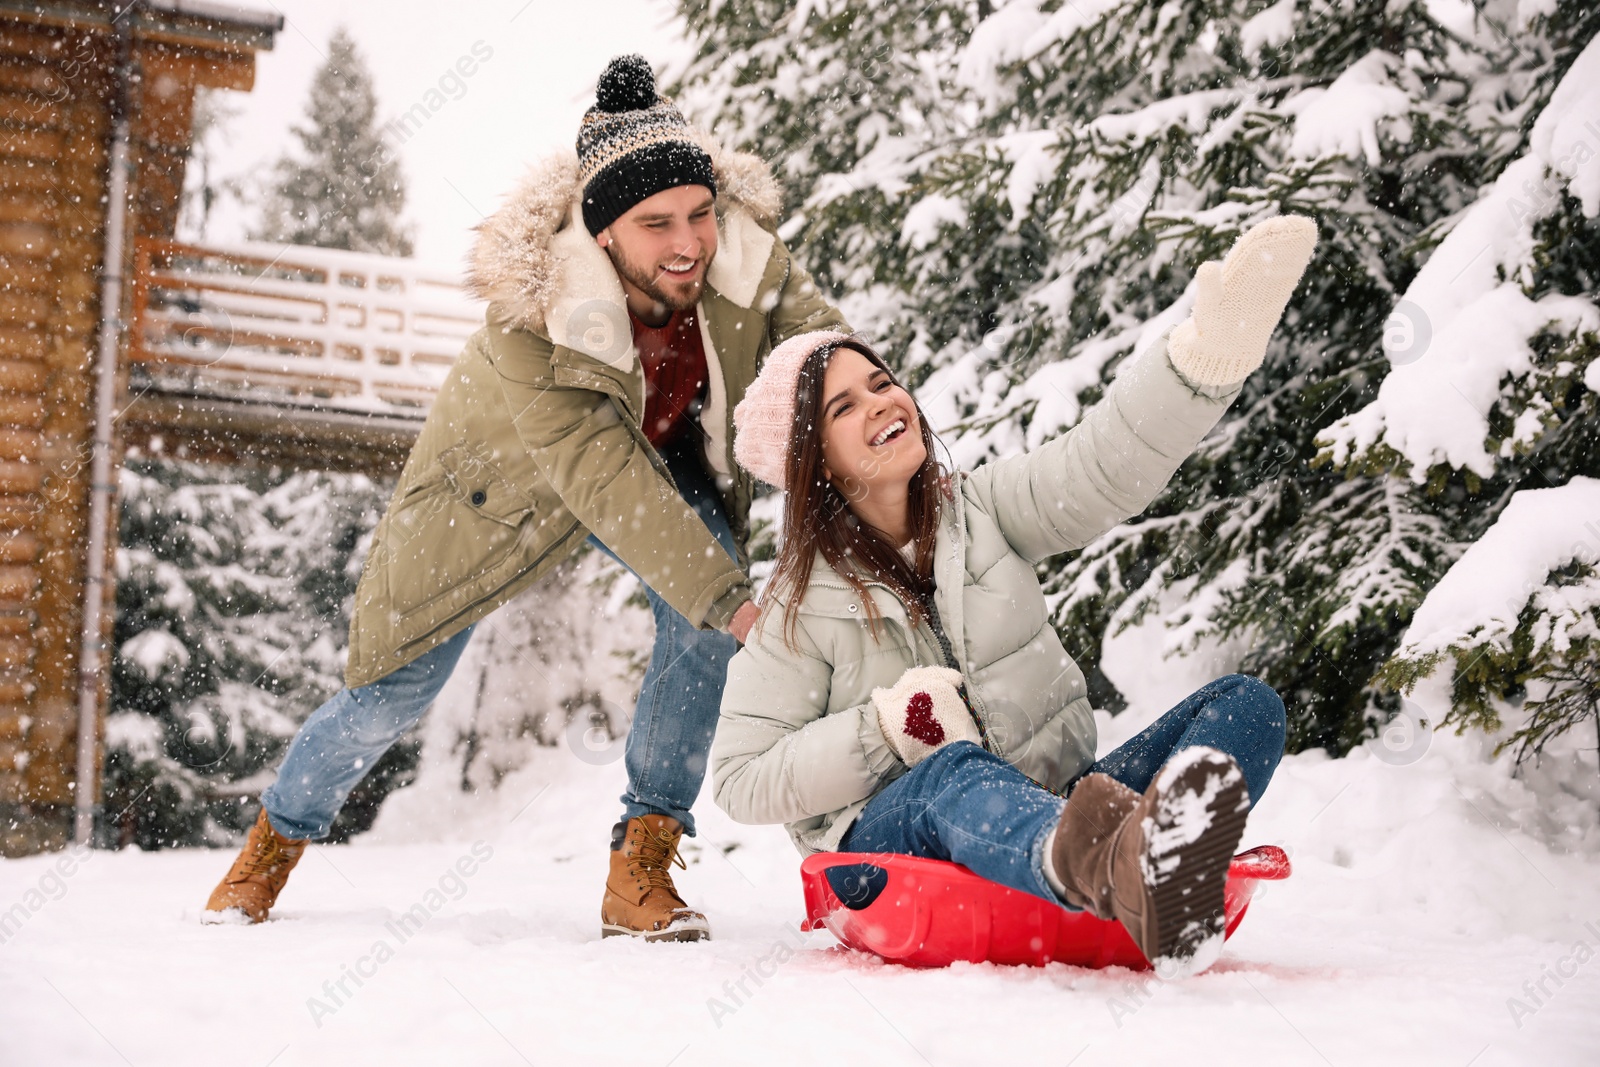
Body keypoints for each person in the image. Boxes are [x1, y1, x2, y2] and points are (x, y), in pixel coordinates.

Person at [203, 55, 847, 941]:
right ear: (604, 234)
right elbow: (599, 471)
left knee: (701, 625)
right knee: (391, 690)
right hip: (491, 502)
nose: (688, 241)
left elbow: (827, 360)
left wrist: (885, 448)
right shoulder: (533, 318)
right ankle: (272, 846)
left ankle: (643, 863)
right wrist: (738, 604)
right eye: (655, 223)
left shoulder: (745, 262)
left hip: (661, 463)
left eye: (700, 213)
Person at [712, 217, 1317, 976]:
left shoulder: (984, 509)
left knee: (1245, 703)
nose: (879, 401)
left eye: (880, 380)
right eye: (842, 407)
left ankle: (1142, 863)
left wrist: (1201, 362)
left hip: (1054, 806)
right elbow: (739, 777)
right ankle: (1113, 868)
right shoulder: (799, 612)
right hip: (894, 854)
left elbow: (1102, 465)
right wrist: (884, 733)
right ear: (817, 462)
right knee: (953, 769)